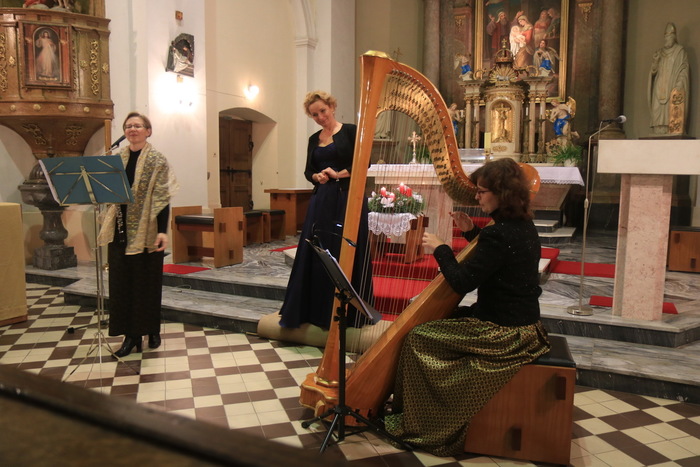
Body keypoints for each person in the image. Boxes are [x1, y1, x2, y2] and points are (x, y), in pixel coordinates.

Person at [384, 158, 550, 456]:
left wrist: (441, 248)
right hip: (521, 325)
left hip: (502, 333)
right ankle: (418, 409)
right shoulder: (520, 225)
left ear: (502, 194)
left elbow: (463, 281)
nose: (477, 196)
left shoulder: (499, 233)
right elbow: (497, 259)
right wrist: (471, 231)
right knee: (442, 319)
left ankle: (423, 422)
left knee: (418, 338)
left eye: (482, 191)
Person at [278, 91, 373, 329]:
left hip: (348, 199)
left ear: (332, 107)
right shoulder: (314, 139)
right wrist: (316, 176)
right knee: (318, 250)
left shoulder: (350, 131)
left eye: (323, 111)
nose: (320, 117)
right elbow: (308, 170)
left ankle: (349, 313)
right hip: (321, 200)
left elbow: (364, 162)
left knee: (344, 250)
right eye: (314, 114)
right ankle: (315, 311)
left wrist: (338, 174)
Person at [97, 112, 178, 357]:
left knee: (146, 284)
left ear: (148, 131)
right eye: (128, 126)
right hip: (119, 231)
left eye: (138, 126)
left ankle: (150, 329)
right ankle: (130, 335)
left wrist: (162, 231)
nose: (132, 129)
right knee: (122, 284)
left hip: (147, 232)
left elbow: (162, 199)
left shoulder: (156, 160)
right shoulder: (116, 160)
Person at [648, 22, 689, 135]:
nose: (667, 38)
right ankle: (658, 126)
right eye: (665, 36)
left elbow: (683, 70)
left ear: (674, 36)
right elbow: (654, 71)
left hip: (672, 86)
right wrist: (655, 61)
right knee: (657, 107)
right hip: (659, 86)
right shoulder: (659, 52)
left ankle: (670, 126)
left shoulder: (680, 51)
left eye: (669, 36)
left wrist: (680, 83)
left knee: (671, 106)